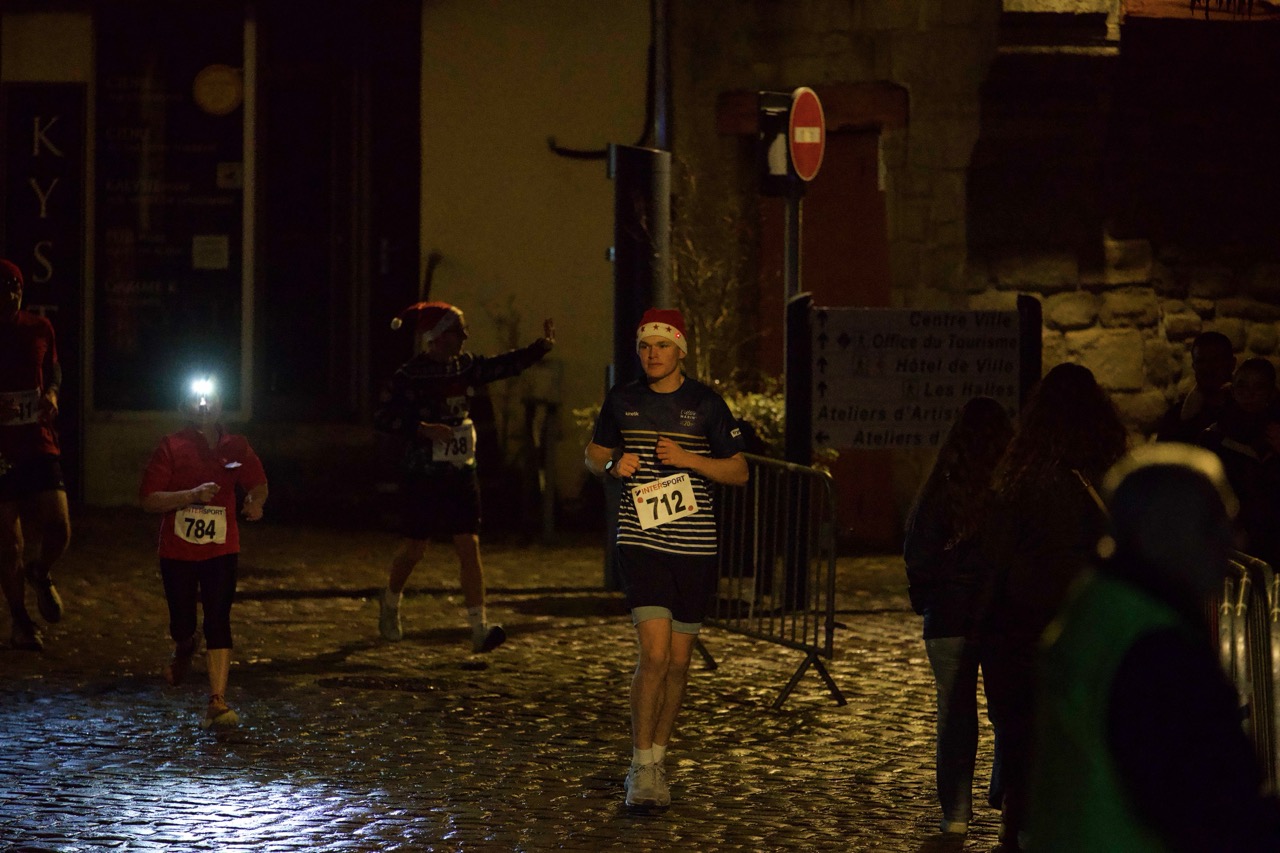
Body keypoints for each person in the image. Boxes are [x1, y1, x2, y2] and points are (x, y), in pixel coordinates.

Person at [1030, 443, 1280, 852]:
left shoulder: (1099, 607)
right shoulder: (1158, 649)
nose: (1233, 540)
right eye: (1214, 524)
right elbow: (1216, 808)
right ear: (1165, 532)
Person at [584, 307, 749, 810]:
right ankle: (640, 766)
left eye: (661, 345)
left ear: (680, 351)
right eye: (644, 346)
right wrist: (613, 464)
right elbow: (593, 453)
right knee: (654, 656)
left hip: (695, 548)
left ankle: (658, 757)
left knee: (678, 663)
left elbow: (739, 471)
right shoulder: (623, 399)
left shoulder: (705, 403)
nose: (652, 354)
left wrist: (688, 460)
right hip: (641, 541)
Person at [981, 362, 1129, 851]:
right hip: (1088, 617)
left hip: (1023, 624)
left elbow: (996, 553)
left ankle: (1018, 829)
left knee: (1023, 733)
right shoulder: (1109, 472)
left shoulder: (1021, 476)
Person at [373, 301, 554, 653]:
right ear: (439, 336)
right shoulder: (409, 376)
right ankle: (391, 600)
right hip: (423, 474)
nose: (465, 337)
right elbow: (382, 417)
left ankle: (479, 627)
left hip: (461, 471)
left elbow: (502, 365)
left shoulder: (465, 367)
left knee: (469, 545)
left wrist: (540, 348)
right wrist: (421, 429)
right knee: (415, 548)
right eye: (459, 330)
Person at [903, 396, 1014, 837]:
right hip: (1001, 618)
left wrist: (928, 600)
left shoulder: (940, 489)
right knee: (1008, 712)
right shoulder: (1011, 491)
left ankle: (956, 814)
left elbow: (918, 554)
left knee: (954, 715)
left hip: (948, 618)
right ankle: (1009, 803)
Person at [140, 377, 268, 729]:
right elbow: (149, 499)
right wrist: (191, 495)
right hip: (178, 551)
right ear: (183, 407)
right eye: (195, 400)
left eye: (209, 399)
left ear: (221, 404)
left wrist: (255, 502)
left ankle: (217, 700)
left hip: (222, 549)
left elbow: (258, 482)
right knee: (182, 623)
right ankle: (185, 645)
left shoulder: (237, 445)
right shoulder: (170, 446)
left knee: (218, 618)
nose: (203, 406)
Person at [0, 258, 71, 652]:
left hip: (38, 440)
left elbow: (54, 367)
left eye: (15, 287)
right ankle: (20, 620)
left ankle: (40, 571)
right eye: (3, 289)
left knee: (59, 526)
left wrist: (53, 395)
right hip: (0, 448)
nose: (10, 295)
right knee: (9, 542)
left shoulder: (39, 327)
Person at [1199, 357, 1280, 570]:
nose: (1249, 394)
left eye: (1259, 387)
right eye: (1242, 386)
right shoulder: (1215, 438)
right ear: (1233, 390)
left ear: (1271, 394)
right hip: (1232, 551)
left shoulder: (1274, 437)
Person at [1155, 330, 1235, 443]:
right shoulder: (1175, 418)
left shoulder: (1250, 412)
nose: (1208, 368)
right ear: (1194, 366)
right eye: (1201, 361)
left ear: (1231, 364)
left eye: (1215, 360)